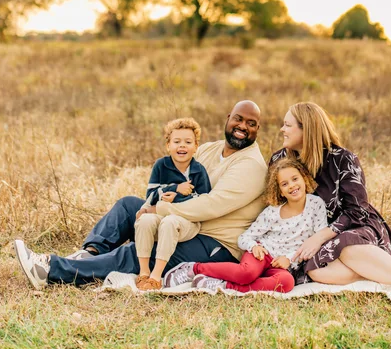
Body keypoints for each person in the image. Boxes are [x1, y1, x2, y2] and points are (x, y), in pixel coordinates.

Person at [14, 100, 267, 289]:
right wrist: (152, 204)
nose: (242, 127)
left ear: (258, 129)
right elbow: (173, 180)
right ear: (228, 118)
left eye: (250, 123)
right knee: (128, 207)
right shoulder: (210, 150)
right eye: (238, 119)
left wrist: (160, 210)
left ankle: (50, 270)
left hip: (214, 243)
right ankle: (89, 255)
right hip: (183, 222)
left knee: (138, 252)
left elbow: (210, 206)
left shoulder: (251, 166)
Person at [270, 102, 391, 300]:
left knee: (345, 245)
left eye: (287, 125)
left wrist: (320, 237)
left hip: (354, 229)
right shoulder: (279, 161)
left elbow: (357, 211)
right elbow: (273, 204)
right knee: (315, 271)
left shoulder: (343, 159)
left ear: (307, 129)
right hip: (310, 240)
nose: (282, 129)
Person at [175, 158, 327, 294]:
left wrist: (289, 258)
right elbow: (245, 237)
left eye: (295, 179)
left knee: (287, 282)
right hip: (262, 255)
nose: (292, 186)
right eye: (284, 184)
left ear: (304, 178)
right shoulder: (272, 212)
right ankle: (193, 269)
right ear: (280, 191)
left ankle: (223, 285)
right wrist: (254, 246)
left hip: (282, 265)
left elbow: (318, 241)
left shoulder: (316, 205)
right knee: (246, 274)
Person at [134, 117, 211, 291]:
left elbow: (204, 202)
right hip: (160, 215)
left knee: (169, 222)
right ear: (168, 145)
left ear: (196, 146)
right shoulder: (161, 165)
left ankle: (156, 276)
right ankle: (144, 272)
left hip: (187, 221)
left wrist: (176, 198)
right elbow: (151, 195)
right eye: (177, 142)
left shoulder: (199, 170)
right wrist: (175, 188)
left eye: (188, 142)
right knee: (145, 220)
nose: (182, 146)